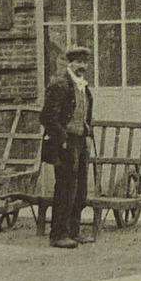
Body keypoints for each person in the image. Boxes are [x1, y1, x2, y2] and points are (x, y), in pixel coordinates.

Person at [41, 45, 95, 248]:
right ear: (70, 63)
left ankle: (73, 231)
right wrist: (62, 138)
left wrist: (87, 130)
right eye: (78, 62)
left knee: (80, 189)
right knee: (65, 188)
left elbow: (84, 112)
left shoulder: (83, 86)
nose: (82, 66)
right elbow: (47, 116)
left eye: (85, 62)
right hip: (65, 142)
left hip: (80, 141)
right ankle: (58, 234)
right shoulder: (60, 84)